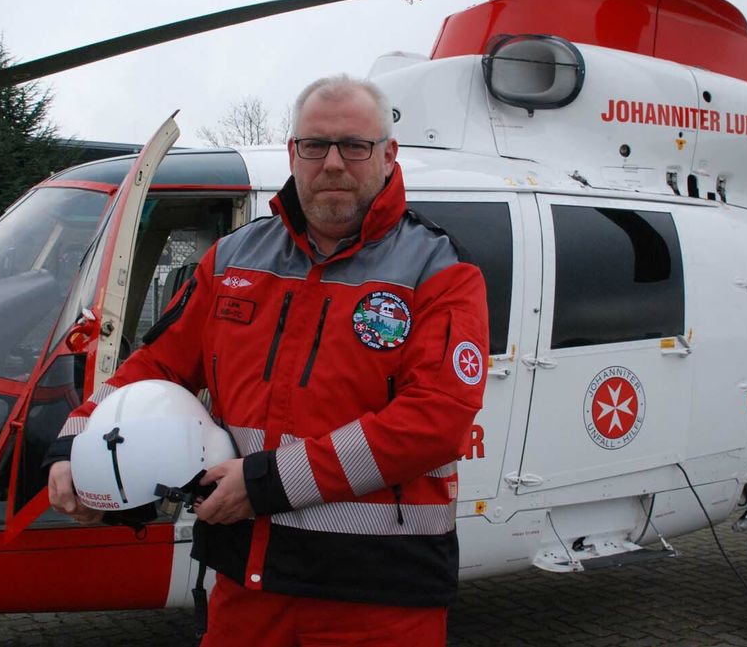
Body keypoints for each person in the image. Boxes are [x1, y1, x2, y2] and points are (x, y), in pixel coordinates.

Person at [46, 75, 489, 646]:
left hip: (378, 595)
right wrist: (74, 446)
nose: (333, 163)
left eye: (354, 145)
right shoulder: (234, 256)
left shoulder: (440, 269)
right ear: (293, 153)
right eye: (315, 145)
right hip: (245, 585)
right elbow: (156, 366)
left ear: (387, 156)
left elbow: (435, 421)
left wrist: (265, 483)